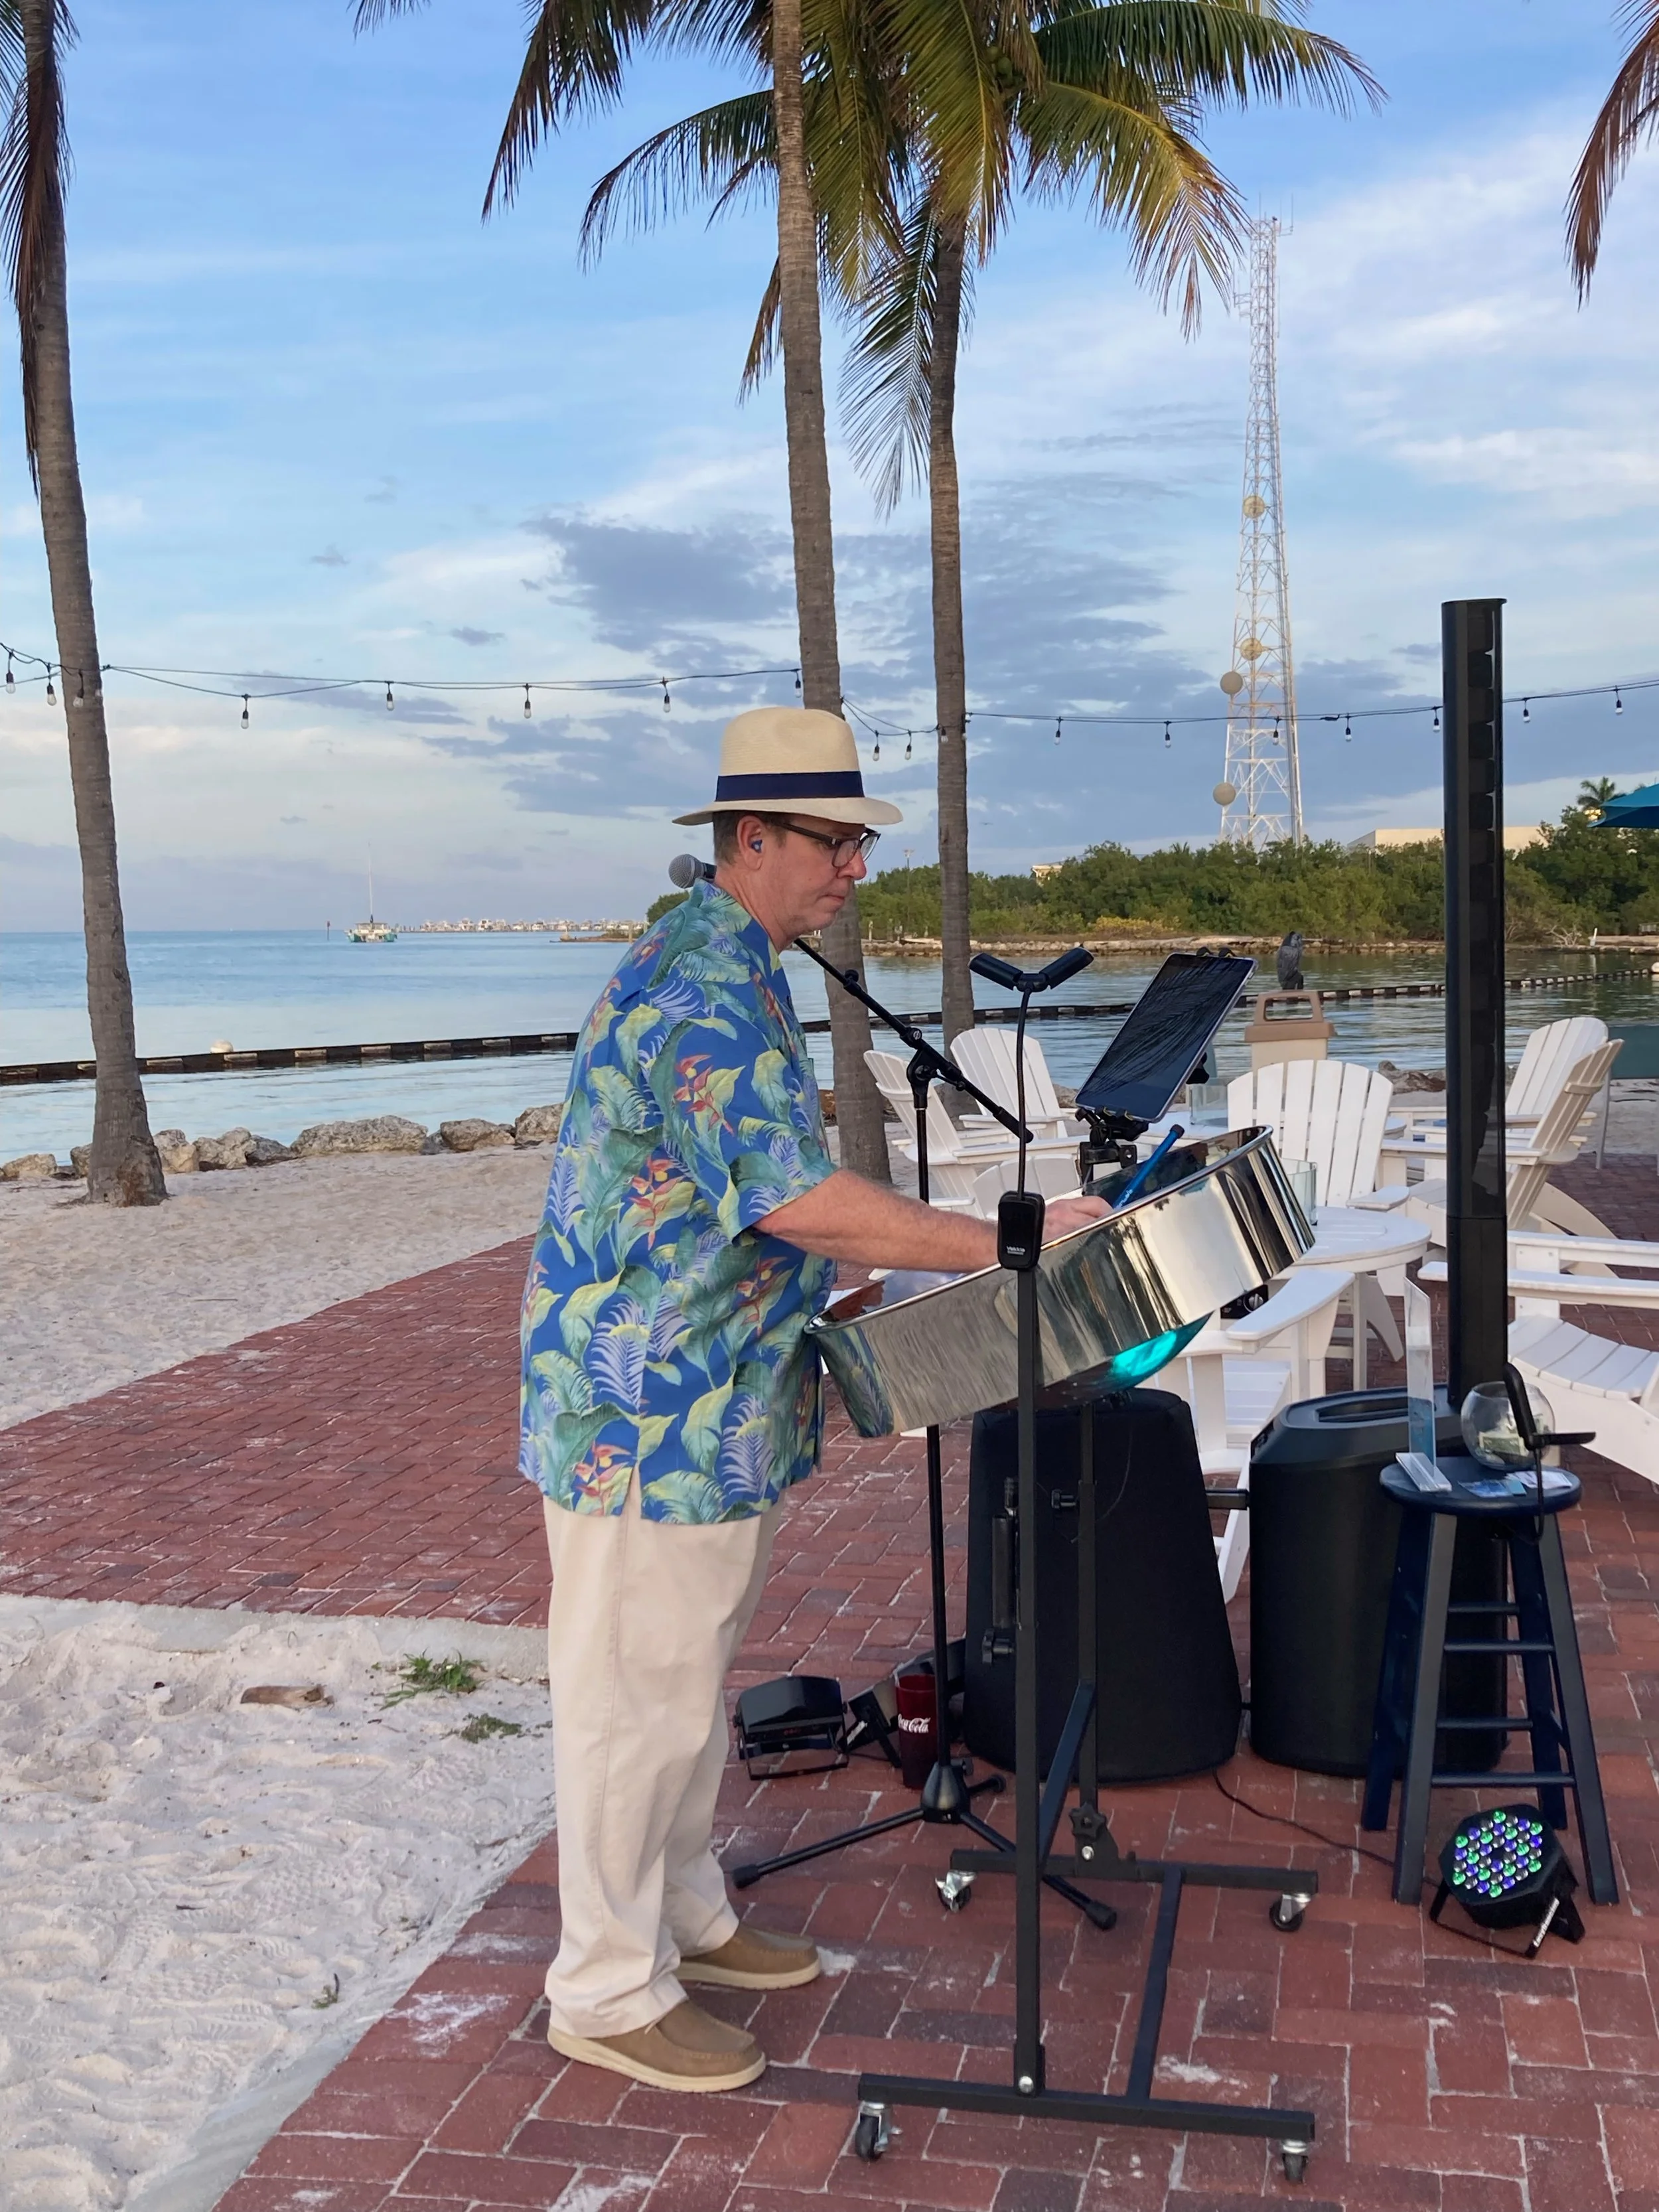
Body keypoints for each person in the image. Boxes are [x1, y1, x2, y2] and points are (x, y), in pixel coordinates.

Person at [520, 705, 1107, 2093]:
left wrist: (840, 1291)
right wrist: (1001, 1240)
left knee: (681, 1685)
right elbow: (790, 1195)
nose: (854, 867)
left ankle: (681, 1914)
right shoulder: (702, 989)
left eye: (858, 842)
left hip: (709, 1400)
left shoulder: (737, 961)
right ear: (750, 838)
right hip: (646, 1417)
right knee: (629, 1701)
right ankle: (603, 1991)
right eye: (835, 842)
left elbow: (739, 1214)